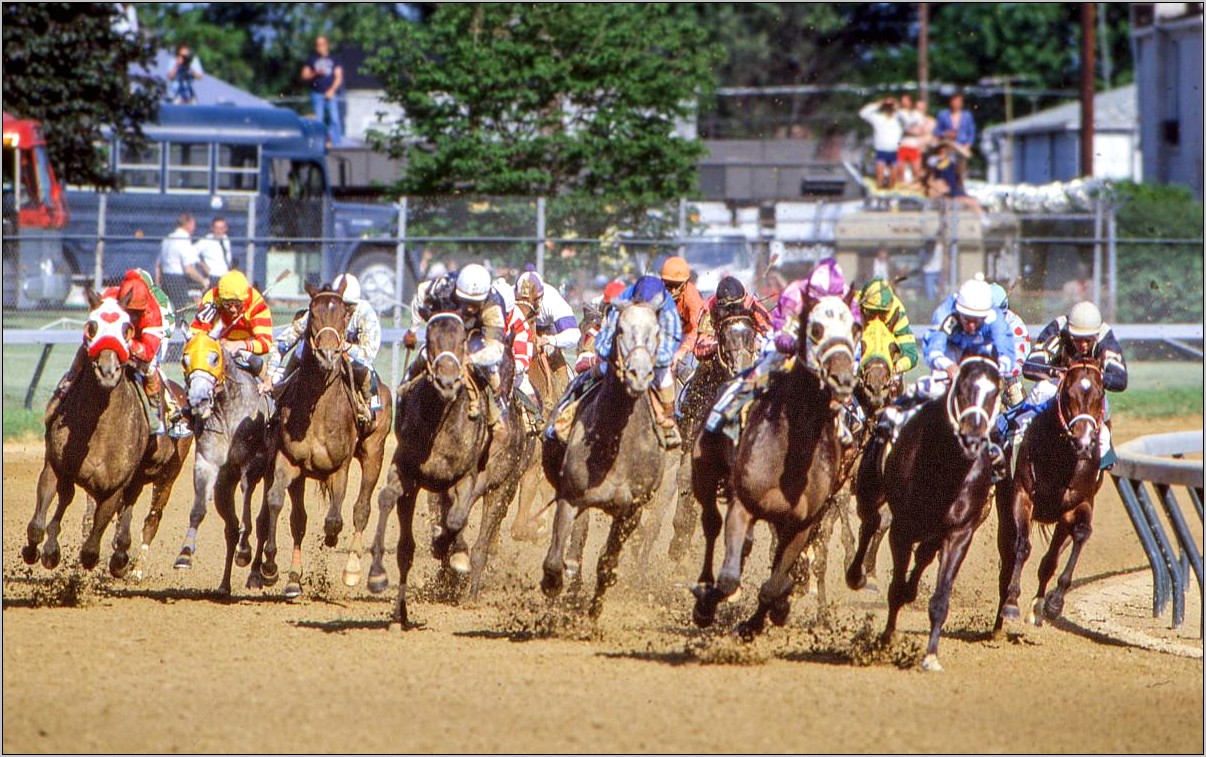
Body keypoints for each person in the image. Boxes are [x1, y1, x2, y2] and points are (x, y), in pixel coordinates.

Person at [705, 257, 859, 442]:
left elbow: (855, 330)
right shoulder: (794, 294)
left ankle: (849, 422)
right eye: (818, 296)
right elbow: (779, 335)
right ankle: (725, 414)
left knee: (849, 382)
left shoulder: (848, 299)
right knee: (753, 377)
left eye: (831, 295)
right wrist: (795, 345)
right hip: (792, 344)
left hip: (829, 351)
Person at [548, 275, 683, 449]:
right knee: (590, 375)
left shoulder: (667, 308)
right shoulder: (623, 301)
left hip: (652, 359)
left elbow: (673, 340)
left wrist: (652, 360)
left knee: (665, 380)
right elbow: (603, 340)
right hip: (622, 359)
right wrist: (617, 358)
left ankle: (669, 424)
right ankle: (564, 416)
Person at [49, 269, 182, 437]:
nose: (132, 316)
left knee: (149, 367)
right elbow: (91, 332)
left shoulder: (153, 314)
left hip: (147, 337)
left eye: (136, 313)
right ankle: (69, 382)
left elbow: (148, 352)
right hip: (122, 332)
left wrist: (126, 341)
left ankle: (158, 409)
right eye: (129, 311)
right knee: (85, 350)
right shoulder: (109, 298)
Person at [1008, 301, 1127, 469]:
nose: (1083, 345)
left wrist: (1096, 378)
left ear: (1096, 334)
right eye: (1078, 339)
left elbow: (1121, 379)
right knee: (1041, 391)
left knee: (1101, 403)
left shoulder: (1105, 336)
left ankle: (1103, 455)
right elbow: (1030, 367)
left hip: (1088, 389)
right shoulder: (1058, 329)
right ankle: (1018, 440)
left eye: (1088, 339)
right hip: (1058, 385)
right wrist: (1056, 373)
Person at [403, 263, 509, 437]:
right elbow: (420, 294)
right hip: (448, 330)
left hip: (476, 334)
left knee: (491, 371)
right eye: (464, 301)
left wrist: (471, 359)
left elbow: (495, 349)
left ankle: (496, 415)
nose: (468, 308)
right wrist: (413, 330)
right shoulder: (443, 286)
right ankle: (405, 390)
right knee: (424, 355)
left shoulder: (493, 307)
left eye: (474, 303)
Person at [267, 273, 382, 428]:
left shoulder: (366, 314)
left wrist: (346, 347)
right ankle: (277, 408)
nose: (344, 312)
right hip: (320, 357)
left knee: (366, 373)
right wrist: (269, 375)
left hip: (352, 359)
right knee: (297, 356)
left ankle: (369, 410)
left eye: (349, 308)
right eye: (342, 305)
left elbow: (369, 354)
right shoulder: (322, 310)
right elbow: (281, 343)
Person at [190, 270, 274, 364]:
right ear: (220, 299)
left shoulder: (256, 303)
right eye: (227, 304)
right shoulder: (212, 298)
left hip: (246, 348)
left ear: (244, 299)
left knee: (257, 364)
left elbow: (266, 343)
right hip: (216, 348)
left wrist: (241, 344)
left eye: (237, 304)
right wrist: (214, 344)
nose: (233, 309)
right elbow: (196, 332)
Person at [514, 270, 582, 385]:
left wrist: (549, 340)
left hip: (547, 336)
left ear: (540, 298)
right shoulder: (509, 297)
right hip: (518, 335)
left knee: (566, 382)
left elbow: (574, 335)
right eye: (521, 301)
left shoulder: (553, 301)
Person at [494, 277, 543, 435]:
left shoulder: (519, 322)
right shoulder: (483, 314)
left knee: (528, 391)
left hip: (513, 374)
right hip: (485, 369)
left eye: (505, 314)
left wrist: (510, 369)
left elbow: (523, 357)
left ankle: (535, 422)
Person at [692, 275, 772, 363]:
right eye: (728, 309)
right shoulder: (709, 309)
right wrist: (717, 346)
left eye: (736, 307)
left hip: (751, 346)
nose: (732, 312)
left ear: (743, 300)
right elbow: (699, 348)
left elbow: (772, 334)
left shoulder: (752, 305)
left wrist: (759, 344)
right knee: (704, 369)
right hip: (720, 351)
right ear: (719, 306)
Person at [856, 277, 919, 376]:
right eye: (871, 312)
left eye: (882, 314)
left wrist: (898, 366)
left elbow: (911, 355)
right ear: (862, 306)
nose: (876, 318)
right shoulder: (853, 306)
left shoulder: (897, 311)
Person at [659, 255, 705, 381]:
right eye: (669, 285)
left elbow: (697, 328)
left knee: (690, 370)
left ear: (685, 284)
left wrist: (683, 350)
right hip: (664, 336)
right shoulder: (656, 293)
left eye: (677, 285)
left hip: (688, 337)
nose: (673, 290)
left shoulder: (692, 296)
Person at [989, 282, 1031, 409]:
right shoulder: (975, 321)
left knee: (1016, 390)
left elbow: (1019, 360)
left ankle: (1019, 425)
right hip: (979, 373)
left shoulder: (1015, 325)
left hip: (1004, 379)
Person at [156, 213, 206, 312]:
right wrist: (203, 281)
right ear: (187, 224)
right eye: (193, 224)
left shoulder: (167, 239)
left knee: (167, 309)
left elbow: (158, 265)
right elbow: (189, 269)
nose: (194, 228)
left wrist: (158, 283)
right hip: (177, 280)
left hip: (165, 278)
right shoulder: (183, 240)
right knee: (180, 310)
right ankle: (178, 327)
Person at [574, 279, 626, 374]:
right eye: (611, 308)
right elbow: (580, 364)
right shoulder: (594, 331)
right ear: (605, 307)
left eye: (618, 309)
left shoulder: (632, 331)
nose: (614, 313)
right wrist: (597, 360)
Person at [301, 36, 344, 147]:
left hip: (330, 94)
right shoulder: (312, 59)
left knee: (334, 119)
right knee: (318, 120)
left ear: (326, 45)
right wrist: (315, 73)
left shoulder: (334, 59)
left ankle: (336, 144)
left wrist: (332, 90)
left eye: (322, 44)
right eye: (317, 45)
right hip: (317, 94)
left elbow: (339, 77)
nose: (320, 47)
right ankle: (319, 144)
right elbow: (304, 75)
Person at [859, 97, 904, 189]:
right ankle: (879, 193)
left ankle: (892, 195)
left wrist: (897, 107)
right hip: (881, 150)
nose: (889, 108)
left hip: (894, 150)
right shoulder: (877, 118)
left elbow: (910, 120)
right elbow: (862, 114)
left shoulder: (898, 119)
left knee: (894, 177)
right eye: (888, 106)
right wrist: (879, 104)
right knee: (880, 176)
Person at [936, 92, 976, 181]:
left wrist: (968, 144)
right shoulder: (943, 115)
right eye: (954, 101)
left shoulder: (967, 116)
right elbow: (937, 131)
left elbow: (971, 132)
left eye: (959, 102)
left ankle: (960, 183)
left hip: (961, 145)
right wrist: (945, 134)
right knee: (944, 163)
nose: (956, 104)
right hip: (947, 144)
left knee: (961, 164)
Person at [896, 93, 925, 184]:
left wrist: (911, 132)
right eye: (902, 101)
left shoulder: (917, 114)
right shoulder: (899, 114)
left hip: (913, 145)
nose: (904, 103)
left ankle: (916, 188)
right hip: (901, 144)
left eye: (906, 101)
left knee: (916, 170)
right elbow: (901, 129)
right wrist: (911, 131)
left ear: (910, 102)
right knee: (900, 171)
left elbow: (921, 130)